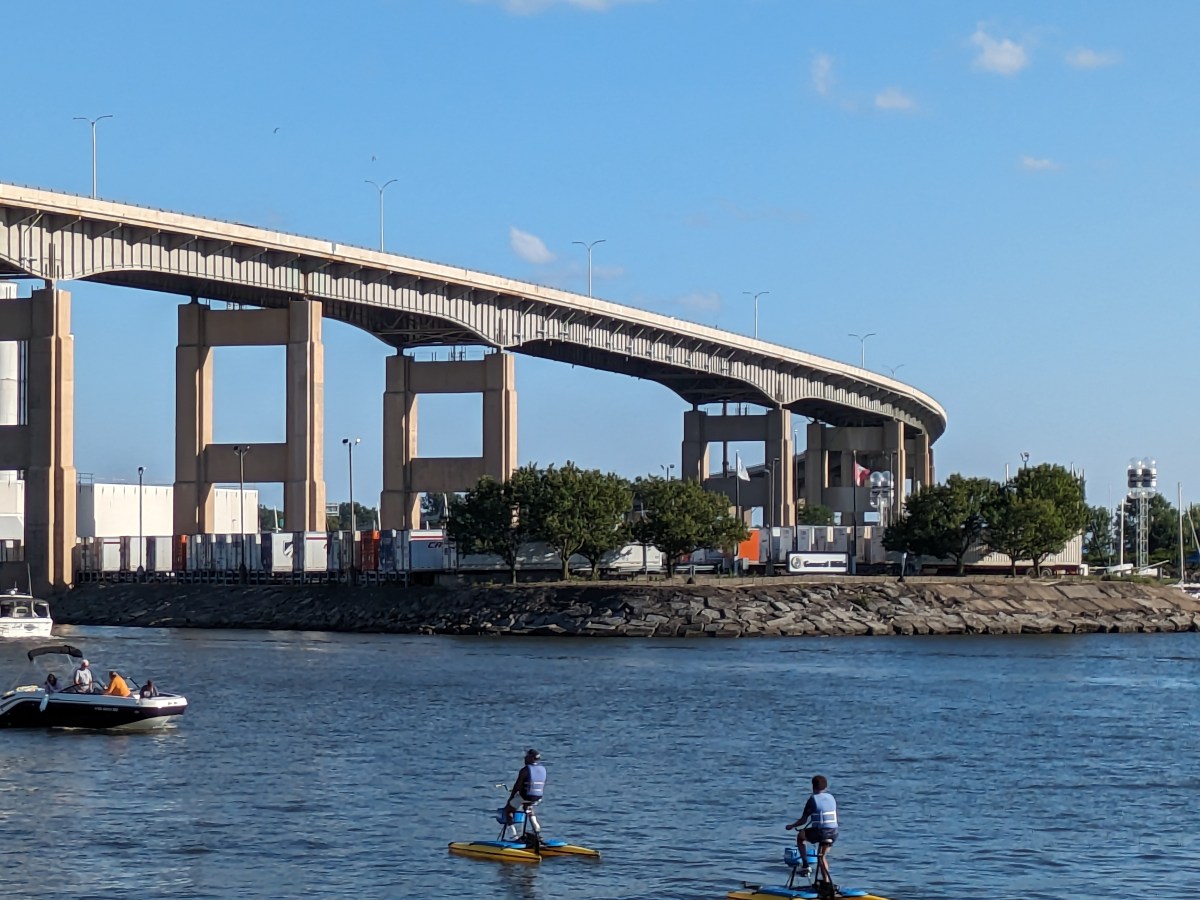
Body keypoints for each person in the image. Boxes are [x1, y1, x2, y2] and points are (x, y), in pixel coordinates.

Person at [786, 775, 839, 888]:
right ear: (825, 787)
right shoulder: (831, 797)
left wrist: (791, 826)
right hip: (833, 833)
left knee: (800, 837)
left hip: (821, 832)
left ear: (813, 786)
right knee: (822, 856)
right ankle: (826, 883)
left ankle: (805, 865)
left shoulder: (813, 799)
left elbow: (803, 820)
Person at [503, 749, 547, 842]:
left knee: (509, 811)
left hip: (526, 796)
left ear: (531, 758)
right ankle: (537, 832)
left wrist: (511, 798)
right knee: (528, 808)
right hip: (537, 797)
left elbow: (517, 786)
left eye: (526, 756)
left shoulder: (525, 770)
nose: (524, 758)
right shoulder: (543, 769)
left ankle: (514, 837)